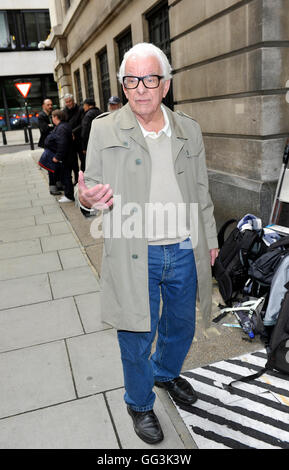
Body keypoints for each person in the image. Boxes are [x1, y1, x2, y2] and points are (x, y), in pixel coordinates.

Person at [76, 42, 219, 445]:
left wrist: (207, 239)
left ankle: (166, 374)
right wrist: (86, 199)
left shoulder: (188, 128)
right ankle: (139, 403)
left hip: (184, 246)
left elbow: (202, 190)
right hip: (134, 252)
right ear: (123, 85)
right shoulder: (104, 129)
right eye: (131, 80)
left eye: (149, 79)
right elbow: (88, 189)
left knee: (182, 326)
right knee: (136, 333)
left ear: (165, 84)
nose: (140, 88)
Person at [45, 109, 74, 203]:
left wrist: (57, 157)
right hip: (67, 156)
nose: (52, 119)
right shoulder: (63, 126)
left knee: (66, 176)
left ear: (56, 117)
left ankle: (69, 196)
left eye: (52, 117)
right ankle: (68, 194)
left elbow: (62, 144)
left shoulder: (61, 128)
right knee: (66, 176)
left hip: (65, 157)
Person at [63, 94, 83, 183]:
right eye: (66, 102)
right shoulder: (64, 111)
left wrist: (73, 132)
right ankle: (76, 179)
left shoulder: (80, 109)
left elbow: (82, 124)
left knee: (83, 159)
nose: (68, 104)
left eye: (70, 101)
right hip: (70, 140)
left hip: (80, 138)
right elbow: (63, 124)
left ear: (73, 100)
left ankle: (83, 178)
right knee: (73, 161)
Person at [80, 98, 102, 171]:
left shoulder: (88, 115)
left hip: (91, 144)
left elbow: (85, 132)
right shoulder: (100, 112)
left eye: (84, 105)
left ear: (88, 106)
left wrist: (84, 147)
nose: (83, 107)